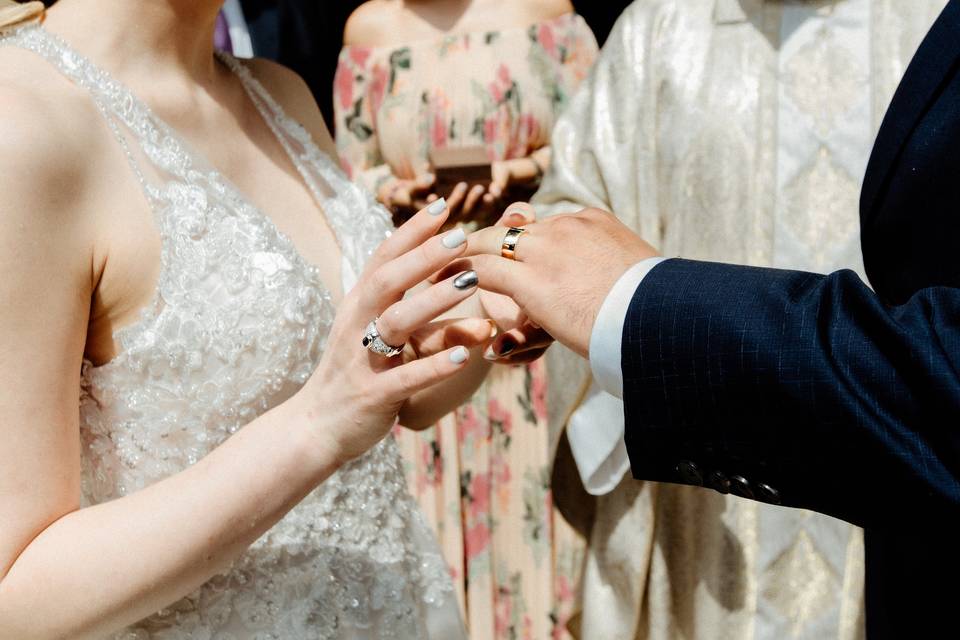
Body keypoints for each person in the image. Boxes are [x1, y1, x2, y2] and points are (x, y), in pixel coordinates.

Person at [0, 0, 534, 637]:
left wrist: (486, 309)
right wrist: (316, 426)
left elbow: (391, 391)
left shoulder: (279, 93)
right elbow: (15, 597)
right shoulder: (23, 127)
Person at [454, 0, 960, 636]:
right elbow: (577, 202)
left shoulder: (929, 27)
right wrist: (537, 278)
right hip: (700, 496)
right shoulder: (661, 28)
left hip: (898, 494)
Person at [333, 2, 597, 636]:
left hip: (534, 304)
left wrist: (518, 172)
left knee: (534, 505)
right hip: (429, 312)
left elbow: (593, 157)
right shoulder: (368, 30)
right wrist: (396, 192)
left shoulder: (549, 14)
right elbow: (340, 175)